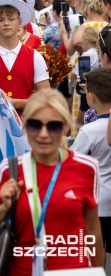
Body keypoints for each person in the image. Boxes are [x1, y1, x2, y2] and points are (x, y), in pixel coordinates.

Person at [0, 88, 104, 274]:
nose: (43, 134)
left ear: (66, 128)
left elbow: (93, 232)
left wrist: (97, 270)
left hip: (74, 271)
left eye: (53, 126)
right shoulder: (10, 169)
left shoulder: (86, 167)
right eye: (35, 125)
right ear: (24, 127)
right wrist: (4, 207)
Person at [0, 0, 51, 188]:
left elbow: (45, 98)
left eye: (10, 19)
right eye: (1, 19)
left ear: (20, 22)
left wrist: (12, 103)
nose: (6, 23)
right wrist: (12, 102)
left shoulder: (35, 57)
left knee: (27, 184)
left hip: (26, 129)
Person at [71, 67, 111, 260]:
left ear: (91, 97)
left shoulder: (89, 130)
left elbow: (72, 161)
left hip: (98, 201)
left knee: (95, 252)